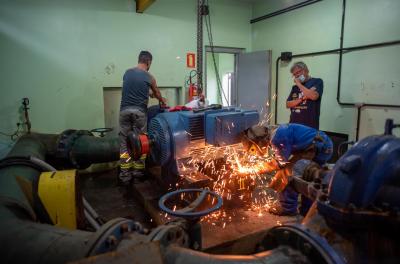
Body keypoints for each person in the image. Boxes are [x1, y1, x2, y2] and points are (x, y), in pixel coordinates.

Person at [242, 123, 333, 216]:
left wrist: (255, 169)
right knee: (308, 178)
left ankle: (287, 209)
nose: (256, 151)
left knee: (287, 175)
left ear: (260, 141)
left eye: (254, 148)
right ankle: (306, 210)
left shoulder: (277, 139)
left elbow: (279, 164)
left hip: (319, 149)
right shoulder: (275, 131)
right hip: (318, 144)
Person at [119, 51, 166, 185]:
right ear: (149, 62)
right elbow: (157, 93)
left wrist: (148, 93)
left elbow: (133, 88)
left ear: (139, 60)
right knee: (141, 142)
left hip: (124, 111)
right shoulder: (150, 77)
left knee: (124, 143)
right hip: (139, 112)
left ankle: (125, 176)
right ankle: (138, 173)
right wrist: (162, 100)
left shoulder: (127, 73)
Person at [286, 62, 323, 129]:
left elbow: (313, 96)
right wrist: (302, 98)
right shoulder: (294, 87)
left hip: (309, 127)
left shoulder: (317, 81)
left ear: (306, 70)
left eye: (298, 72)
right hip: (293, 125)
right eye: (294, 74)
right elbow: (288, 104)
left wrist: (299, 84)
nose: (296, 76)